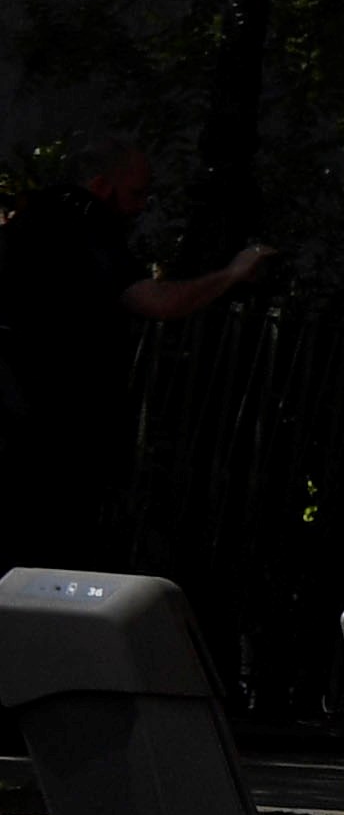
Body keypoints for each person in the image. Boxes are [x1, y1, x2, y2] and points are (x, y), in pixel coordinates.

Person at [0, 152, 276, 567]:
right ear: (100, 185)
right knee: (48, 553)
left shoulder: (23, 226)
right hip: (53, 425)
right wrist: (232, 274)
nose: (140, 205)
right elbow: (156, 302)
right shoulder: (83, 222)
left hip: (19, 415)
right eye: (135, 192)